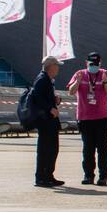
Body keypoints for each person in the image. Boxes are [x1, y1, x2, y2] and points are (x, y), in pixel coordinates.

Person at [67, 51, 107, 185]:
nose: (93, 66)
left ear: (100, 64)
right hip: (84, 117)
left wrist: (105, 81)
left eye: (95, 64)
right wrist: (77, 82)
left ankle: (103, 176)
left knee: (102, 147)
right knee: (87, 148)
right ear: (86, 63)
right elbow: (71, 91)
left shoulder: (105, 73)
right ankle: (88, 175)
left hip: (101, 117)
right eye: (91, 63)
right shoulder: (80, 73)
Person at [30, 57, 65, 188]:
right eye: (57, 65)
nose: (58, 68)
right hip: (45, 121)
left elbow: (44, 96)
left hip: (50, 121)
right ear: (51, 66)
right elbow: (37, 97)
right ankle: (41, 177)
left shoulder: (48, 80)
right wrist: (49, 108)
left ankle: (49, 175)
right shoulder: (42, 79)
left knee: (52, 149)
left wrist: (55, 100)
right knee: (45, 149)